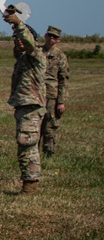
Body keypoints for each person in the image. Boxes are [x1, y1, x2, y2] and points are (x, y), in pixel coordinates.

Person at [4, 8, 46, 193]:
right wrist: (14, 26)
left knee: (27, 145)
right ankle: (29, 184)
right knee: (26, 145)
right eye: (15, 40)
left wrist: (18, 24)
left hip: (31, 106)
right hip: (24, 106)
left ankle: (30, 185)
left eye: (21, 38)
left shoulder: (35, 55)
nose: (18, 42)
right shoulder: (22, 58)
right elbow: (20, 44)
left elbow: (28, 43)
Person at [40, 26, 69, 158]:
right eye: (50, 35)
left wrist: (61, 102)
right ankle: (33, 154)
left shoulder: (60, 56)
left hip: (52, 97)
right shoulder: (38, 52)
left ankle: (49, 155)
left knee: (50, 127)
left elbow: (63, 80)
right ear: (45, 36)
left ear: (59, 40)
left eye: (55, 37)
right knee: (35, 126)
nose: (51, 38)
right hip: (37, 94)